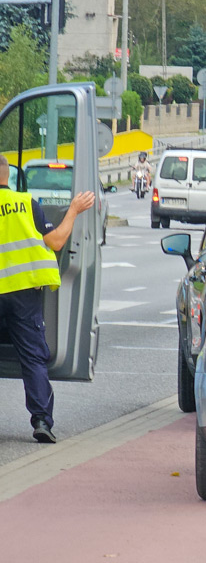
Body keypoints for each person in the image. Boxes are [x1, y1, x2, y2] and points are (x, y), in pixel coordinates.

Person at [0, 154, 95, 443]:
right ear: (7, 176)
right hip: (23, 292)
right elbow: (56, 242)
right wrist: (74, 210)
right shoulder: (27, 204)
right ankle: (41, 420)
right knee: (32, 358)